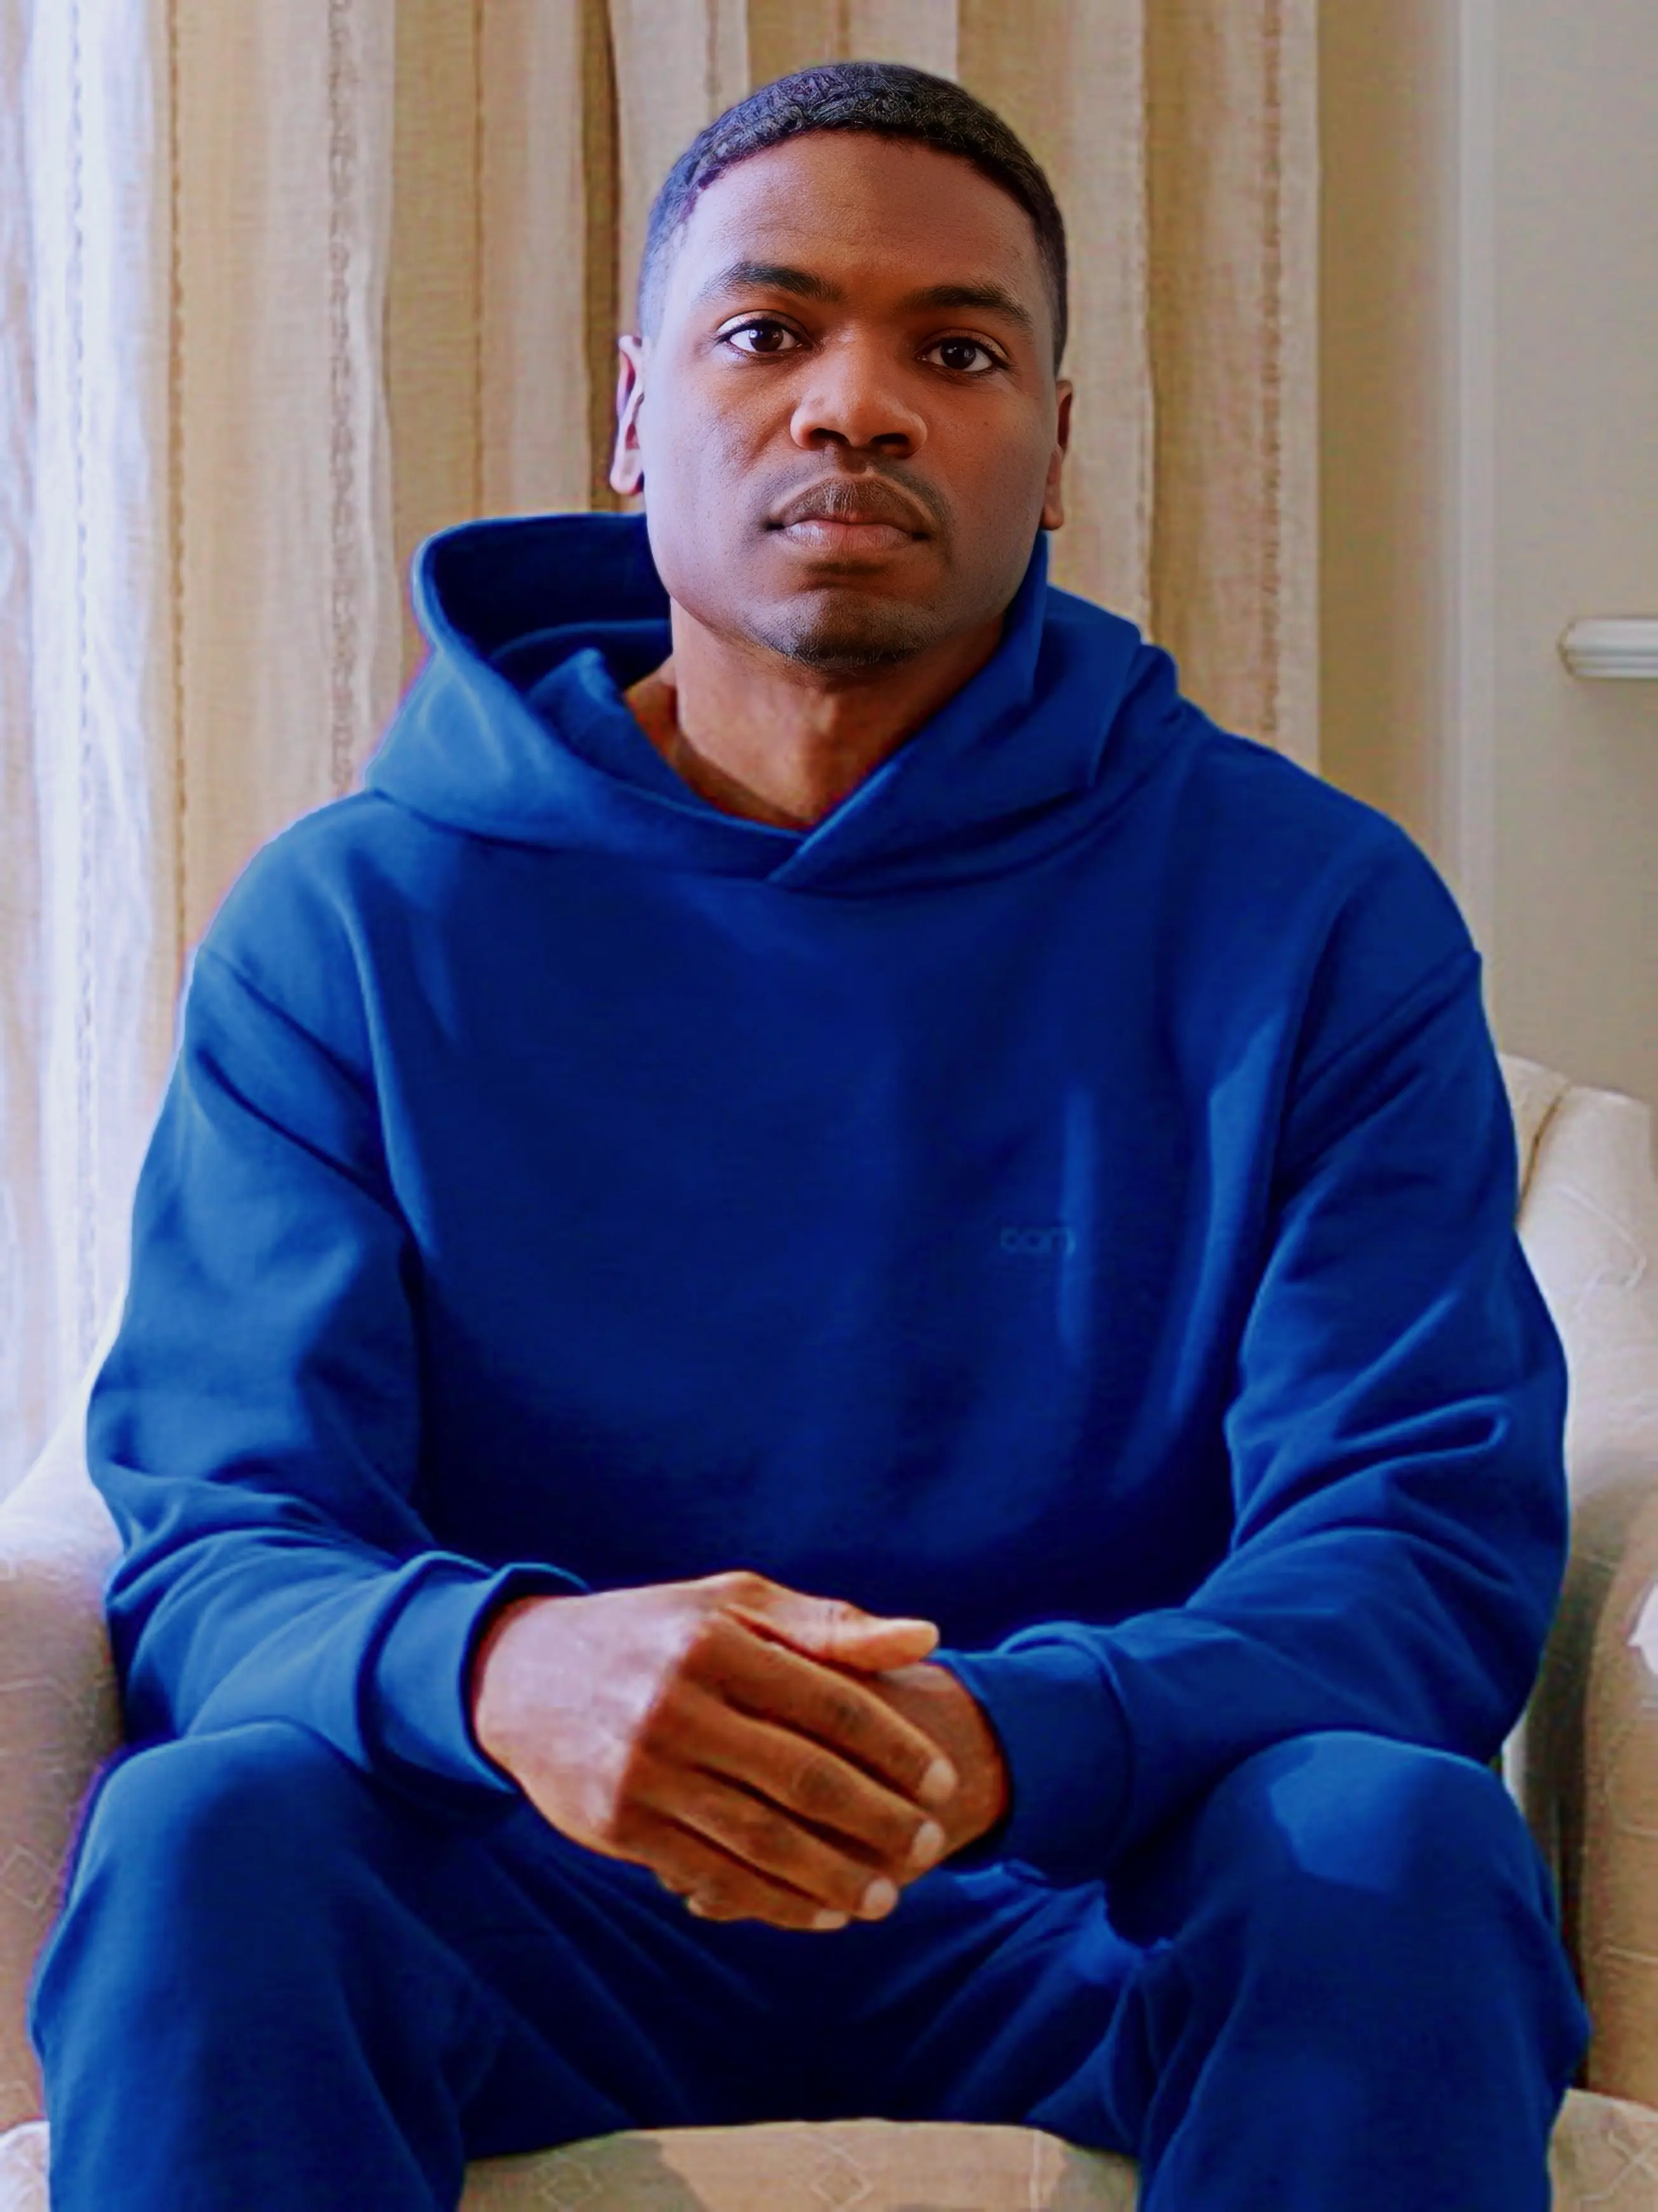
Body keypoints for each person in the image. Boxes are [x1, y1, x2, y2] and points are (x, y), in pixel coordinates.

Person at [27, 60, 1589, 2211]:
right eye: (769, 333)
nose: (856, 405)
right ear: (635, 416)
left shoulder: (1309, 912)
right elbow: (224, 1538)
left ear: (1057, 453)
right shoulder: (361, 918)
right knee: (209, 1839)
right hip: (530, 1881)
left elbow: (1412, 1552)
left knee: (1397, 1841)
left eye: (956, 350)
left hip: (1089, 1892)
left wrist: (1004, 1742)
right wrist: (506, 1664)